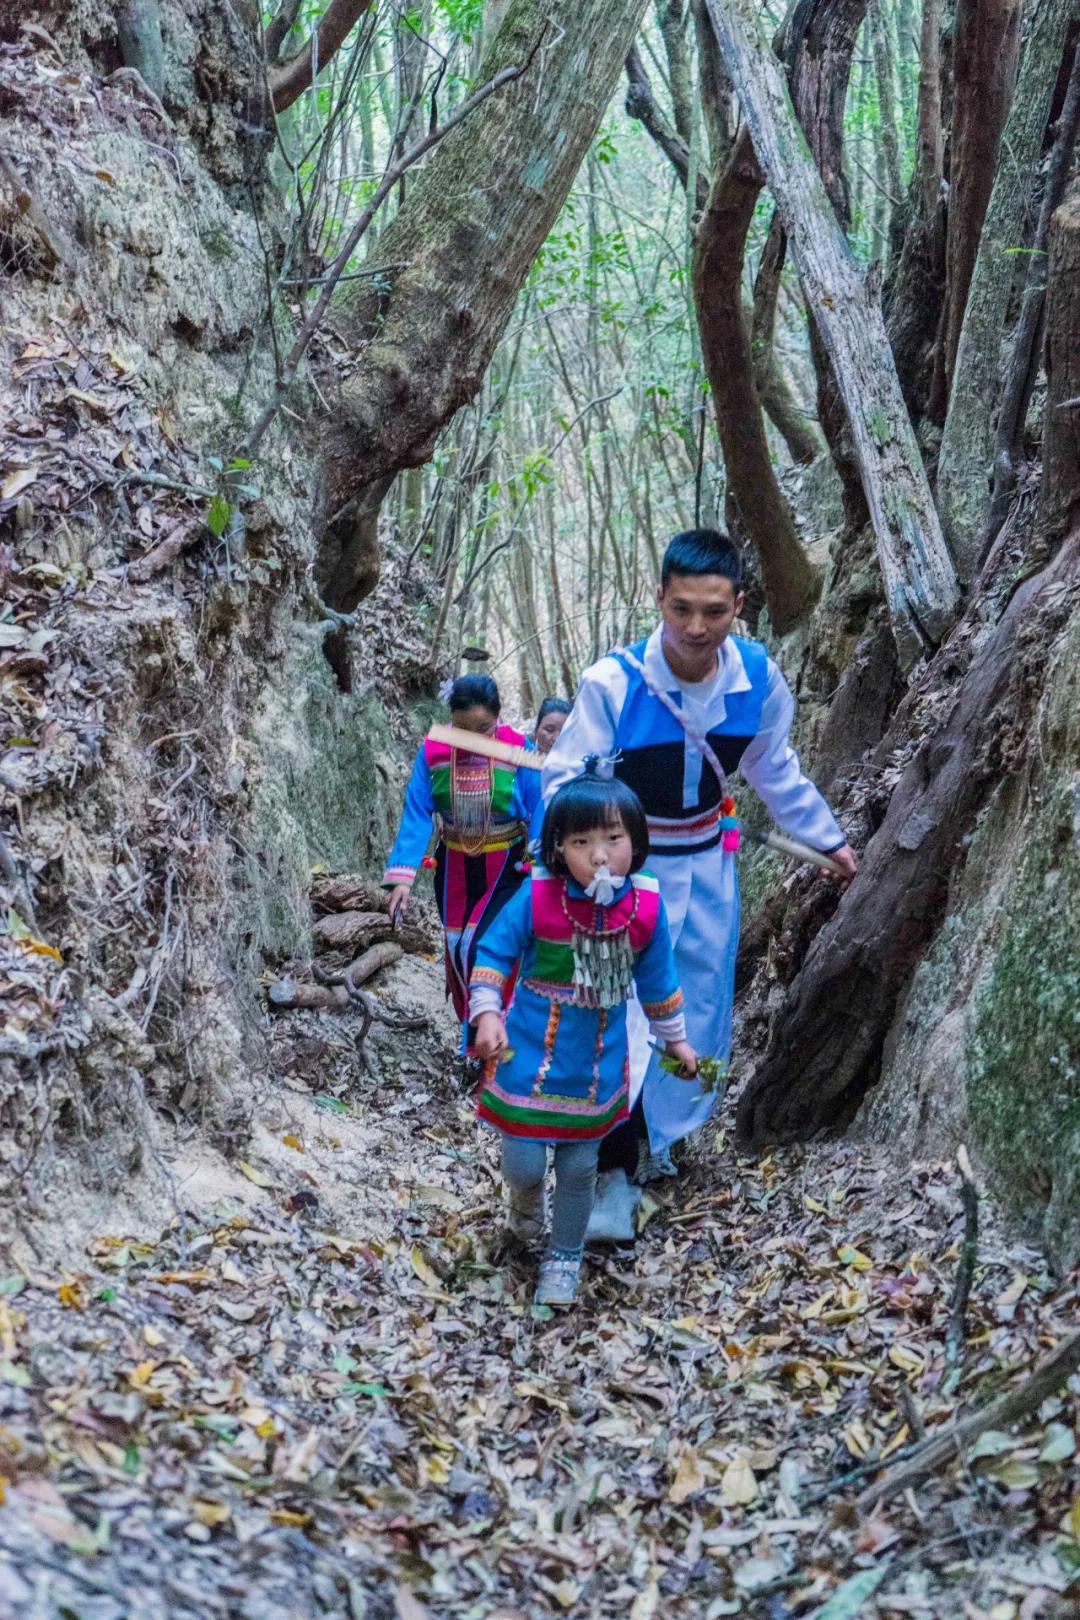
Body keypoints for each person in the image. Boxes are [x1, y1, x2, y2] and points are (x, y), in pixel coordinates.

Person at [542, 529, 859, 1237]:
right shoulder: (614, 683)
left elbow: (776, 770)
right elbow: (562, 781)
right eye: (681, 608)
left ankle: (658, 1139)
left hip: (711, 868)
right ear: (659, 598)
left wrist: (832, 842)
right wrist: (586, 863)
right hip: (622, 880)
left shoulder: (756, 679)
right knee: (615, 1012)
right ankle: (607, 1171)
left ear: (739, 605)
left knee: (698, 1012)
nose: (695, 627)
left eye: (714, 611)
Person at [469, 766, 697, 1306]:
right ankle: (524, 1202)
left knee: (578, 1168)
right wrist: (486, 1013)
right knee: (522, 1160)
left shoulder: (645, 910)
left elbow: (658, 980)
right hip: (523, 1053)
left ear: (636, 843)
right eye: (581, 841)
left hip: (595, 1065)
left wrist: (677, 1041)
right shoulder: (537, 898)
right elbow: (496, 951)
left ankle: (563, 1259)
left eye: (613, 839)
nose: (599, 855)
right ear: (557, 848)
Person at [383, 674, 541, 1054]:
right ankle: (474, 1037)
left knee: (482, 946)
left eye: (483, 730)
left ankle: (487, 1046)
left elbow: (541, 805)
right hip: (452, 863)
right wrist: (403, 877)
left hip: (508, 867)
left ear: (499, 717)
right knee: (456, 950)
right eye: (464, 729)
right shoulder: (434, 750)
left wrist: (539, 863)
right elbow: (418, 810)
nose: (473, 739)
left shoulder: (520, 750)